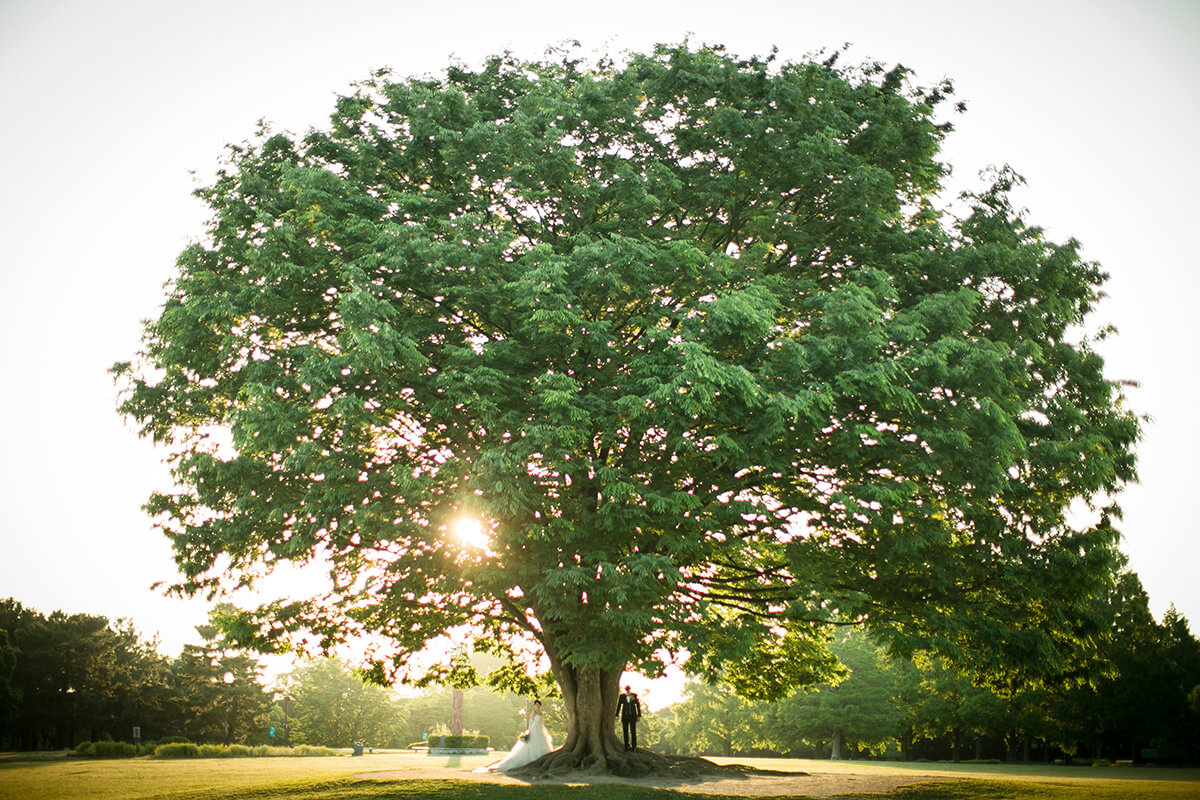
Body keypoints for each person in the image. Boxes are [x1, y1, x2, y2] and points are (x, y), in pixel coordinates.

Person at [475, 699, 553, 772]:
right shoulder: (534, 713)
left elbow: (541, 723)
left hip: (540, 730)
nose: (537, 706)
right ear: (534, 706)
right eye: (536, 704)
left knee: (542, 743)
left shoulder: (541, 713)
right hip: (534, 729)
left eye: (538, 705)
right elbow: (531, 722)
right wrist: (528, 731)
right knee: (532, 744)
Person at [616, 685, 642, 751]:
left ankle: (634, 746)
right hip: (625, 716)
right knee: (625, 731)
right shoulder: (622, 697)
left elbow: (638, 706)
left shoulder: (634, 696)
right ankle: (626, 745)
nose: (627, 691)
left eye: (628, 690)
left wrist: (639, 715)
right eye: (626, 690)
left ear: (630, 690)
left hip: (633, 716)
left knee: (633, 731)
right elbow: (619, 705)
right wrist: (617, 715)